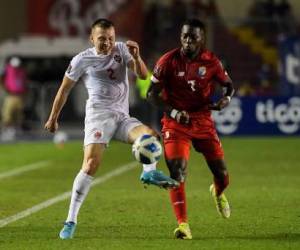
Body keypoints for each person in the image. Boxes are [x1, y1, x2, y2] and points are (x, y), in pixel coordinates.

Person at [44, 18, 178, 240]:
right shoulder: (81, 60)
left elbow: (143, 75)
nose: (107, 43)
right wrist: (53, 118)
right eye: (102, 39)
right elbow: (64, 90)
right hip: (98, 118)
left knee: (151, 137)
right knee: (90, 165)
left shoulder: (122, 50)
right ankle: (70, 220)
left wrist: (136, 57)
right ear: (92, 38)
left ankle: (148, 173)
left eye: (110, 38)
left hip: (121, 117)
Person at [147, 19, 235, 240]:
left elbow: (229, 85)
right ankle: (183, 225)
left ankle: (217, 191)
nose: (187, 41)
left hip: (203, 121)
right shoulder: (167, 61)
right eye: (184, 36)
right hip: (176, 123)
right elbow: (151, 94)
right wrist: (175, 112)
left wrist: (226, 99)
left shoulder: (211, 61)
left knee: (222, 176)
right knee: (177, 172)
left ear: (201, 39)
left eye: (193, 37)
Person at [1, 56, 27, 141]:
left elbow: (24, 82)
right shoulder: (7, 69)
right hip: (10, 95)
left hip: (19, 95)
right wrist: (4, 87)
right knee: (8, 114)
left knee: (18, 115)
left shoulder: (22, 71)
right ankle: (7, 131)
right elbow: (2, 78)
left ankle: (16, 131)